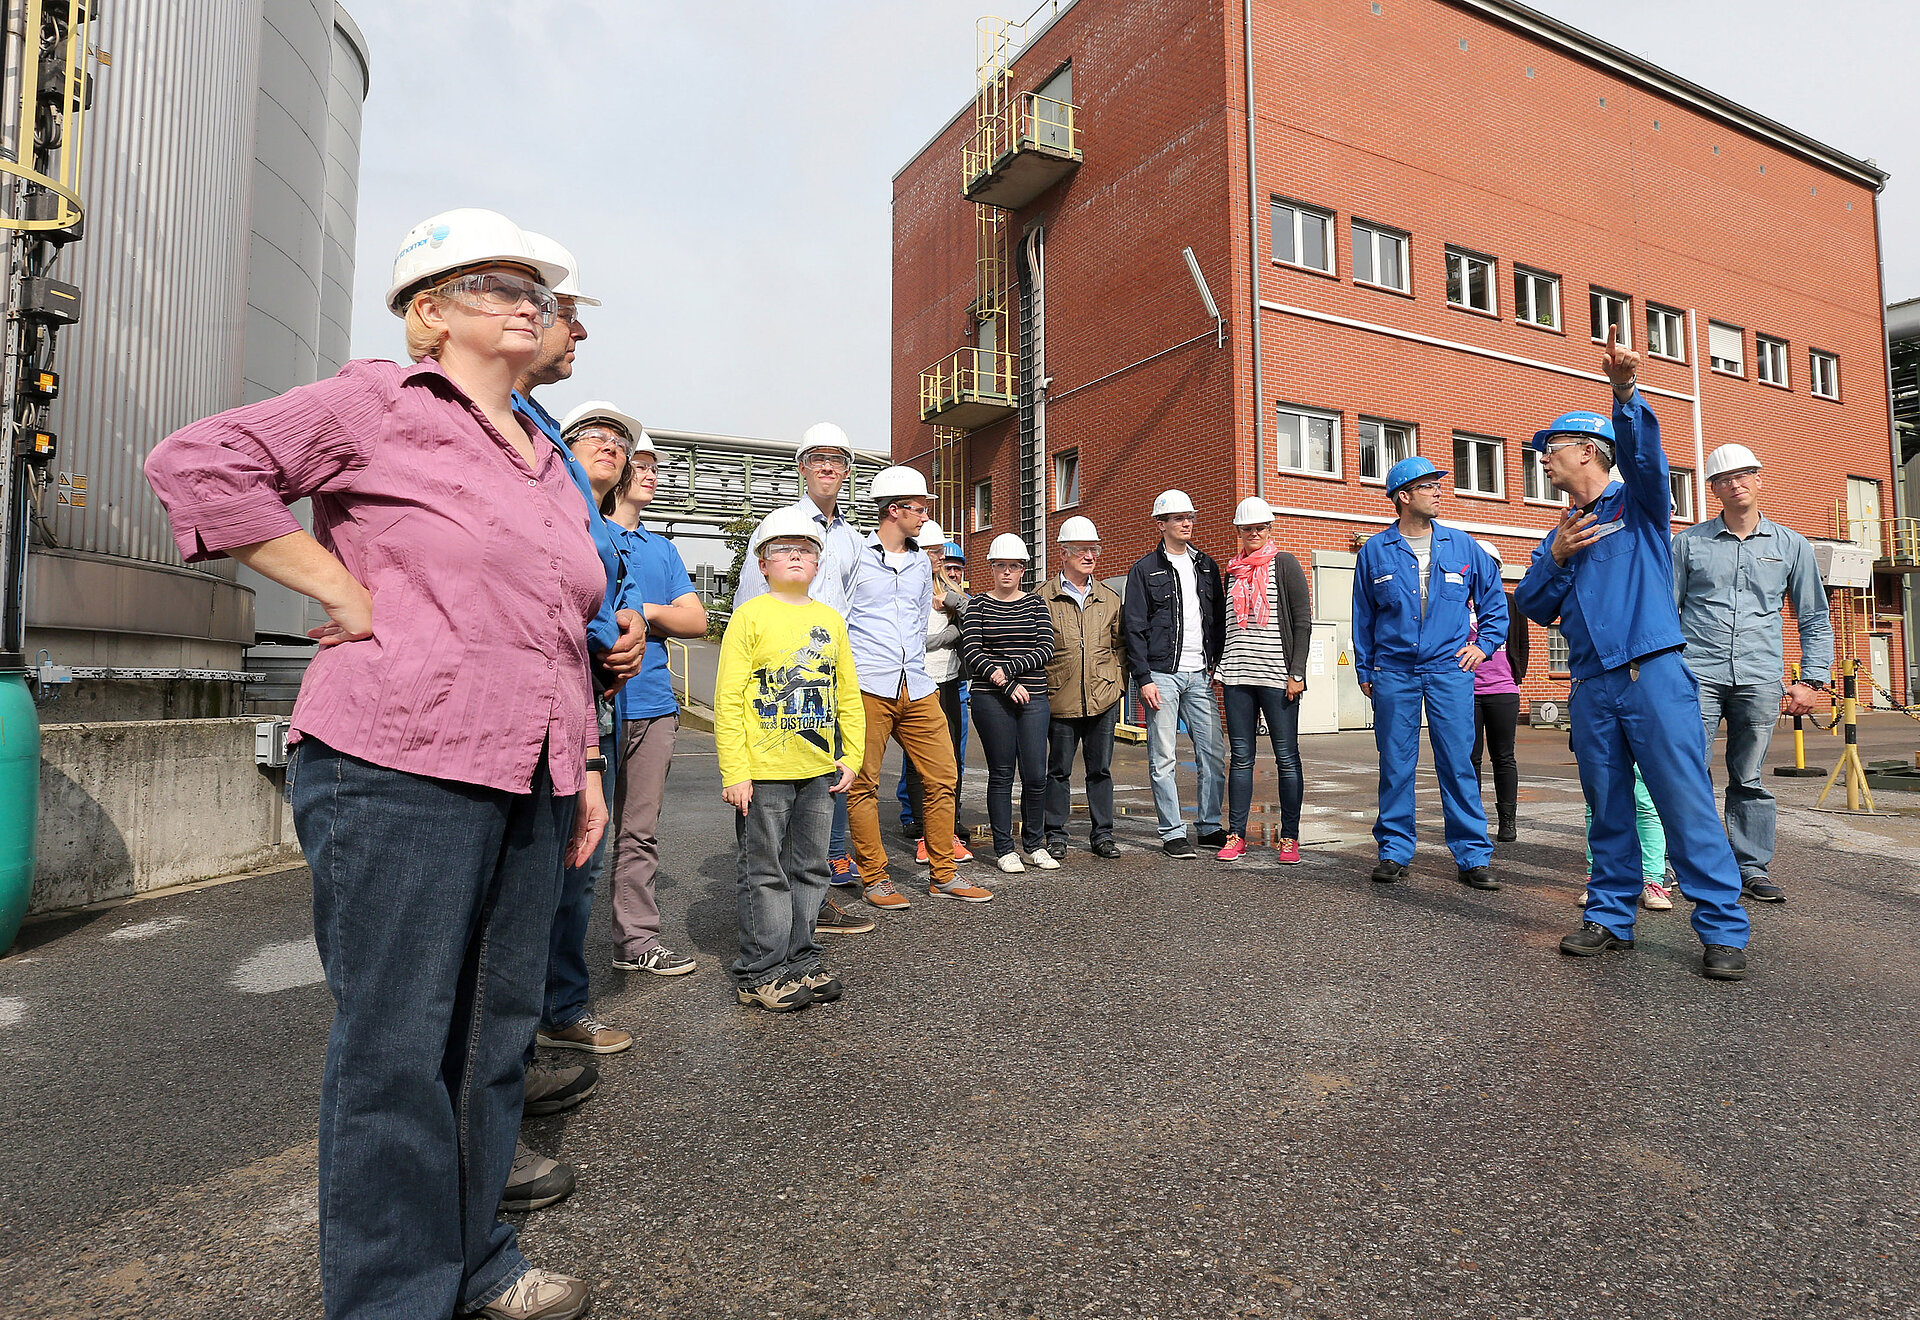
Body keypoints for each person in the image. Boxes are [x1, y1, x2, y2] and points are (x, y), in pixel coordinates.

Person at [146, 208, 599, 1320]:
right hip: (398, 761)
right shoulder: (380, 403)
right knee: (398, 1044)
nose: (530, 298)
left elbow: (554, 626)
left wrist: (581, 768)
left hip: (529, 773)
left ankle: (475, 1257)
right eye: (498, 281)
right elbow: (199, 459)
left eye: (538, 286)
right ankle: (392, 1297)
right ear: (428, 312)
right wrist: (331, 582)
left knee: (495, 1039)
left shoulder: (545, 456)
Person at [1514, 325, 1752, 981]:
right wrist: (1558, 557)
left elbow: (1646, 456)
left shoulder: (1640, 505)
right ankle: (1611, 919)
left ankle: (1723, 931)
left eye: (1551, 449)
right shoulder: (1557, 531)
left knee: (1684, 803)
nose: (1543, 458)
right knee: (1608, 805)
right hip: (1592, 687)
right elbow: (1532, 605)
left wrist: (1625, 389)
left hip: (1653, 676)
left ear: (1590, 452)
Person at [564, 404, 712, 976]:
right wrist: (658, 614)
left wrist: (638, 613)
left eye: (652, 465)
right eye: (642, 464)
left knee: (639, 832)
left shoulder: (661, 547)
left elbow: (696, 621)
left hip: (652, 705)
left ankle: (637, 943)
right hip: (593, 707)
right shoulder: (585, 530)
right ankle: (562, 966)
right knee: (584, 837)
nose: (649, 474)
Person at [715, 508, 866, 1012]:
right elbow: (729, 697)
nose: (796, 555)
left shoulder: (829, 620)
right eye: (782, 549)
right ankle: (760, 969)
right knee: (765, 871)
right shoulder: (750, 616)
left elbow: (847, 694)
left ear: (819, 563)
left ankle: (801, 957)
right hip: (764, 774)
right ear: (763, 564)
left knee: (811, 868)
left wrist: (851, 756)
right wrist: (735, 771)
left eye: (806, 549)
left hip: (818, 770)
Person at [1674, 442, 1833, 904]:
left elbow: (1814, 617)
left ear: (1760, 479)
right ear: (1713, 490)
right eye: (1725, 478)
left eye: (1744, 474)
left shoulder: (1791, 546)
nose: (1736, 483)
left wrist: (1811, 679)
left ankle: (1751, 865)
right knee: (1689, 770)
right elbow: (1667, 612)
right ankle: (1692, 861)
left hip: (1761, 678)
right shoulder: (1688, 544)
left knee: (1749, 777)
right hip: (1697, 673)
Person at [1352, 457, 1506, 891]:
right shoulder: (1375, 551)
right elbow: (1362, 617)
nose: (1439, 491)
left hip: (1448, 670)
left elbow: (1495, 603)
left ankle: (1472, 856)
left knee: (1457, 763)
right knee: (1396, 764)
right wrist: (1366, 668)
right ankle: (1394, 851)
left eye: (1439, 485)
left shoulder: (1463, 546)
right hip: (1394, 672)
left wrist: (1484, 646)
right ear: (1403, 496)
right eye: (1429, 485)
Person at [845, 466, 995, 907]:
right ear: (893, 510)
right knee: (863, 784)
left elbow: (916, 621)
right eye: (919, 507)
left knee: (944, 774)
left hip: (917, 683)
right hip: (868, 685)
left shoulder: (918, 565)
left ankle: (943, 873)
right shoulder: (855, 556)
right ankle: (875, 878)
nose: (925, 513)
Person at [734, 423, 866, 893]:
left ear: (848, 471)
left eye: (837, 459)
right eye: (817, 459)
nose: (828, 467)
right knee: (777, 803)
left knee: (824, 786)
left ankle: (817, 891)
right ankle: (773, 908)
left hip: (825, 680)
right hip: (782, 684)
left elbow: (848, 610)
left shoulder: (852, 540)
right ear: (802, 469)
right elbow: (748, 607)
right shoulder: (780, 528)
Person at [1123, 489, 1228, 859]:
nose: (1187, 523)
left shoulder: (1206, 566)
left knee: (1213, 753)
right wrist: (1144, 679)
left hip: (1199, 674)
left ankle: (1210, 825)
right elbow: (1133, 627)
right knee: (1163, 757)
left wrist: (1215, 663)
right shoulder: (1144, 570)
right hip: (1161, 675)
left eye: (1190, 517)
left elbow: (1216, 621)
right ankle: (1172, 832)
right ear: (1161, 523)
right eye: (1179, 518)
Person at [1216, 497, 1312, 864]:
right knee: (1240, 758)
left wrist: (1297, 672)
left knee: (1287, 758)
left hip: (1278, 678)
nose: (1253, 533)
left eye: (1260, 528)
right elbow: (1224, 625)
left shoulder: (1284, 563)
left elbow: (1302, 621)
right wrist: (1220, 666)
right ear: (1238, 531)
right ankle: (1236, 835)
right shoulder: (1232, 571)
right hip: (1238, 676)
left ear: (1269, 529)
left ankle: (1289, 838)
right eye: (1246, 528)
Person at [962, 533, 1057, 872]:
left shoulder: (1035, 604)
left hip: (1032, 696)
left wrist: (1011, 671)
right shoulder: (978, 605)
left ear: (1022, 570)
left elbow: (1046, 647)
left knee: (1035, 774)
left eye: (1013, 567)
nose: (1006, 572)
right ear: (991, 568)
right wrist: (1003, 682)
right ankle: (1004, 848)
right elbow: (972, 650)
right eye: (1000, 566)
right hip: (991, 699)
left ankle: (1034, 844)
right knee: (1001, 773)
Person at [1039, 516, 1127, 860]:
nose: (1090, 555)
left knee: (1100, 770)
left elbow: (1121, 645)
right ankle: (1056, 835)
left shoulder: (1108, 597)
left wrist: (1116, 681)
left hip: (1102, 698)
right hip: (1059, 697)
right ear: (1064, 553)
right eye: (1081, 550)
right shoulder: (1043, 597)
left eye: (1094, 549)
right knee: (1058, 771)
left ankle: (1103, 834)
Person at [896, 519, 976, 865]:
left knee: (951, 760)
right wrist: (947, 636)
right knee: (918, 762)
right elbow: (911, 639)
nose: (937, 559)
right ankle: (923, 832)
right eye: (932, 552)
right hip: (915, 682)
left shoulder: (948, 590)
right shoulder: (902, 586)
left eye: (939, 553)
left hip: (949, 680)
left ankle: (949, 828)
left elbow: (974, 616)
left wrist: (952, 605)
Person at [1467, 537, 1529, 845]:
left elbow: (1522, 643)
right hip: (1466, 690)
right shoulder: (1456, 601)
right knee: (1470, 758)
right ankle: (1473, 821)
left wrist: (1517, 676)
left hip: (1503, 689)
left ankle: (1507, 820)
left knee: (1504, 756)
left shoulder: (1510, 602)